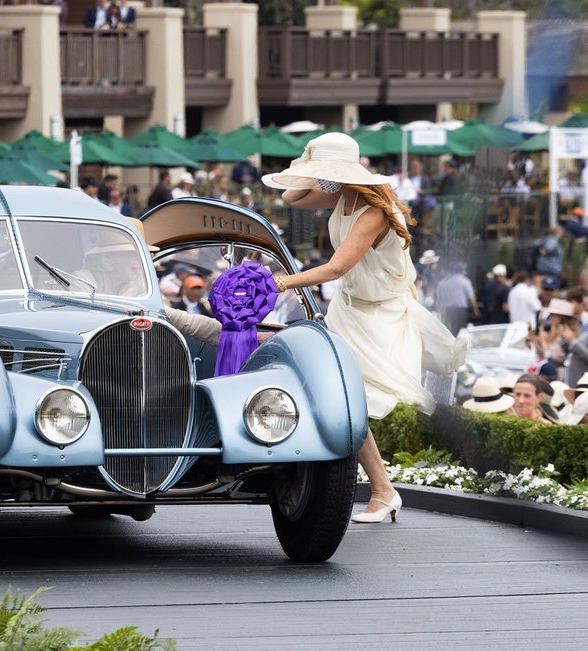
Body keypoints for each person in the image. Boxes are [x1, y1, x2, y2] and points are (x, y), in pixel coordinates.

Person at [174, 132, 466, 523]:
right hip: (349, 307)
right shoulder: (341, 195)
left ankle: (383, 490)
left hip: (378, 315)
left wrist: (275, 283)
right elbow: (290, 198)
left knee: (348, 398)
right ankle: (384, 489)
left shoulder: (373, 212)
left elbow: (335, 268)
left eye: (325, 171)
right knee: (342, 397)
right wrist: (309, 165)